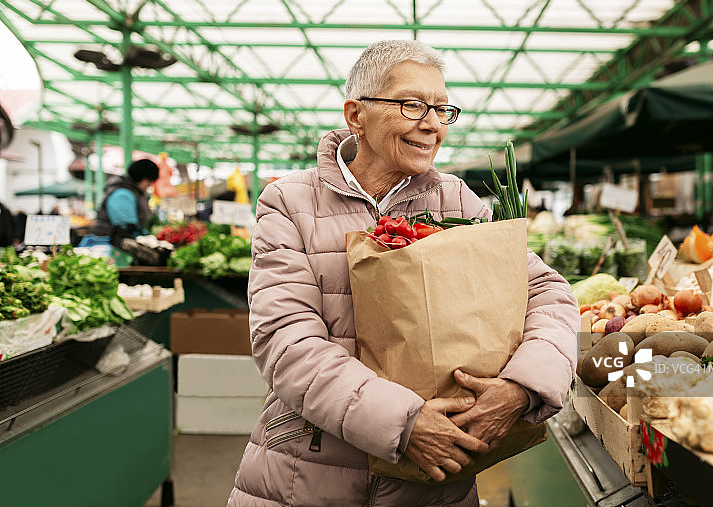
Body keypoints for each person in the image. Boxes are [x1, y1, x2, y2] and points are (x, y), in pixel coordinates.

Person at [228, 40, 579, 507]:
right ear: (356, 115)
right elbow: (285, 342)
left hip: (435, 480)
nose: (432, 124)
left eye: (442, 109)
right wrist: (403, 422)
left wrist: (522, 387)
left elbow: (548, 293)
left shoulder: (455, 200)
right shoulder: (291, 202)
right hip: (309, 469)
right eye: (413, 105)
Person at [93, 159, 159, 237]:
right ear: (142, 178)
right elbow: (126, 227)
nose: (149, 185)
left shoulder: (134, 192)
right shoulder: (123, 194)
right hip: (108, 243)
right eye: (149, 181)